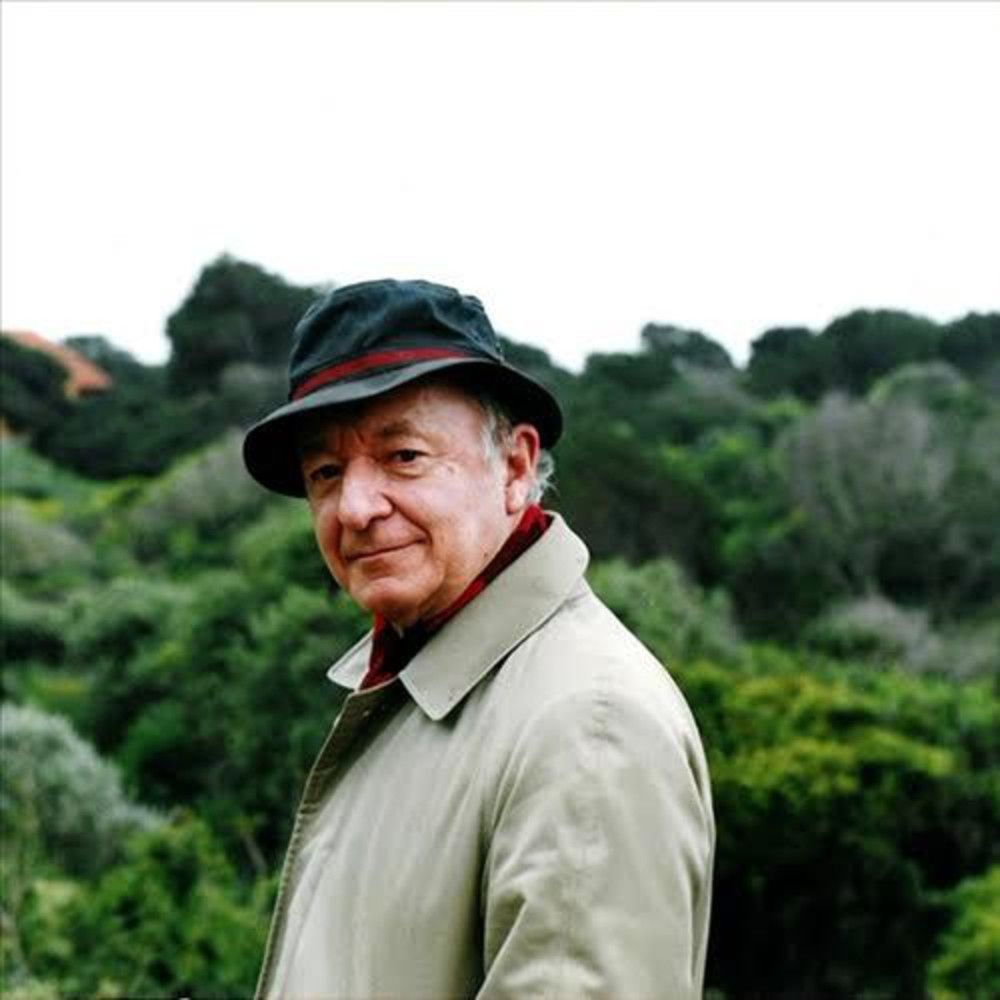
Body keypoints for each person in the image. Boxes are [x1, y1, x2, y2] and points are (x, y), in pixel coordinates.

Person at [242, 279, 715, 999]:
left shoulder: (586, 727)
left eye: (404, 456)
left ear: (516, 467)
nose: (356, 507)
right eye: (326, 472)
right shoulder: (414, 686)